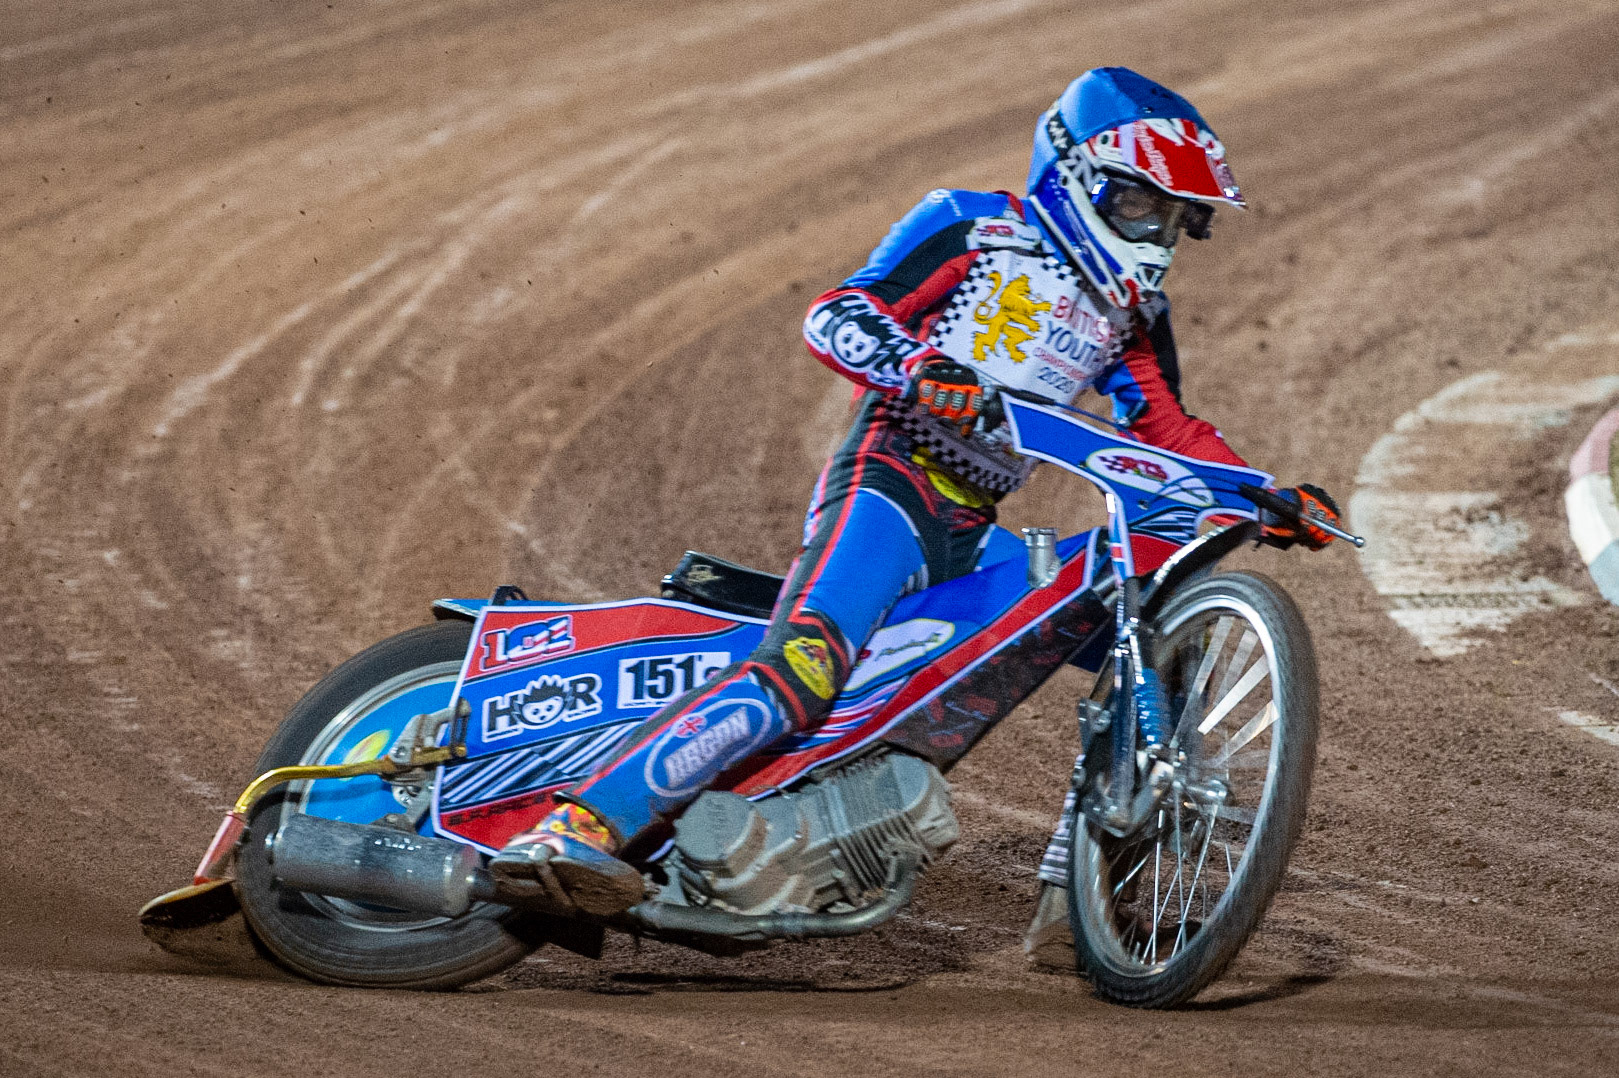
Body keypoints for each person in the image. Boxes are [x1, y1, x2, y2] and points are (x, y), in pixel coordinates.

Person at [488, 69, 1342, 942]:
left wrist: (1261, 494)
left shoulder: (1131, 311)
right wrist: (917, 369)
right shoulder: (974, 226)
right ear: (1081, 178)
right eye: (1139, 207)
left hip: (973, 532)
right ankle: (580, 825)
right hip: (891, 480)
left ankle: (1075, 891)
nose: (1156, 237)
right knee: (803, 671)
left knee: (1151, 654)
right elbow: (838, 313)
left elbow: (1165, 427)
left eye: (1173, 219)